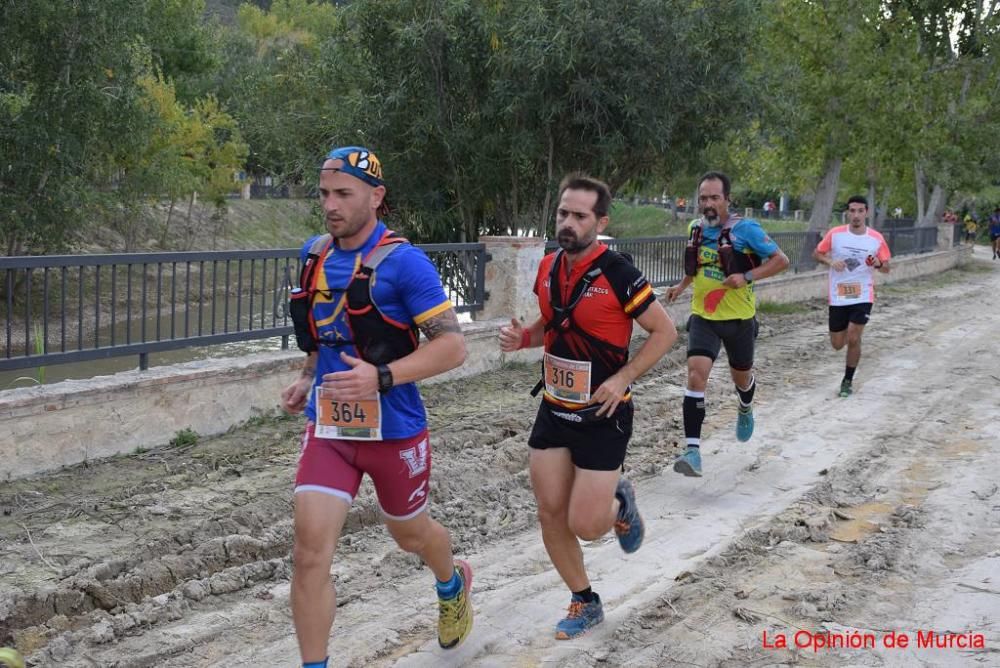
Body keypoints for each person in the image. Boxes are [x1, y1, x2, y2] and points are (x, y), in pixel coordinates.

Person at [280, 146, 473, 668]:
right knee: (309, 554)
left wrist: (382, 376)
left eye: (343, 194)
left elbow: (453, 346)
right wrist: (305, 377)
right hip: (331, 430)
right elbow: (325, 334)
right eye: (325, 194)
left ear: (376, 196)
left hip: (395, 432)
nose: (331, 205)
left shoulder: (404, 263)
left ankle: (452, 582)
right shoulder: (314, 255)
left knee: (411, 535)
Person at [498, 174, 677, 639]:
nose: (568, 223)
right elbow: (549, 325)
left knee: (587, 525)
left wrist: (622, 379)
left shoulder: (619, 273)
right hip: (554, 409)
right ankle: (585, 600)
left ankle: (620, 500)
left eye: (579, 216)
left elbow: (665, 332)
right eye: (563, 213)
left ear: (600, 221)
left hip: (602, 415)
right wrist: (523, 340)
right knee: (549, 513)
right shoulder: (547, 267)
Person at [665, 171, 790, 477]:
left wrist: (746, 276)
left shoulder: (746, 229)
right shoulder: (694, 227)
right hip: (703, 318)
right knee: (696, 375)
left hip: (739, 320)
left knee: (741, 379)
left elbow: (781, 260)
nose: (708, 204)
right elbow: (697, 264)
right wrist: (682, 286)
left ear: (727, 200)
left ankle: (745, 404)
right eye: (703, 198)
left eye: (714, 198)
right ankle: (692, 452)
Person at [812, 195, 891, 397]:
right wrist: (831, 262)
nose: (856, 215)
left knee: (854, 337)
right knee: (838, 344)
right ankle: (851, 337)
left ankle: (847, 380)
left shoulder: (876, 238)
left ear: (866, 212)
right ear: (847, 212)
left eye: (860, 211)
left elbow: (886, 268)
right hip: (838, 295)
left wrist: (877, 264)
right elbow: (817, 253)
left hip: (863, 294)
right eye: (852, 211)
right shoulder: (835, 234)